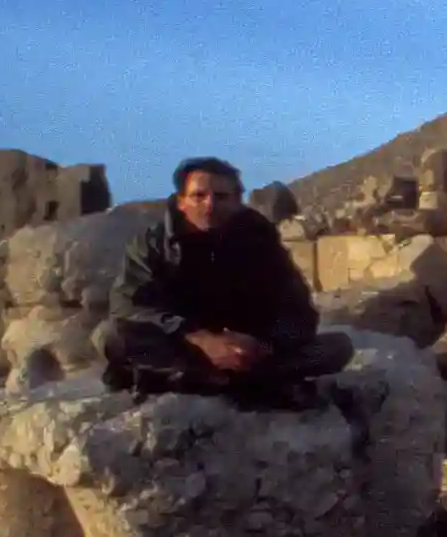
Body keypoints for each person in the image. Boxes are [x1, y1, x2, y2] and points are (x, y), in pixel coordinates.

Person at [101, 156, 352, 402]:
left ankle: (199, 381)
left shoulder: (259, 240)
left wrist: (264, 344)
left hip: (247, 352)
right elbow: (129, 306)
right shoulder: (152, 244)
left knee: (338, 347)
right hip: (184, 346)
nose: (209, 205)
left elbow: (298, 311)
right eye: (198, 196)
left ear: (237, 201)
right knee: (112, 336)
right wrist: (201, 339)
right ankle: (245, 385)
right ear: (181, 202)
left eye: (221, 197)